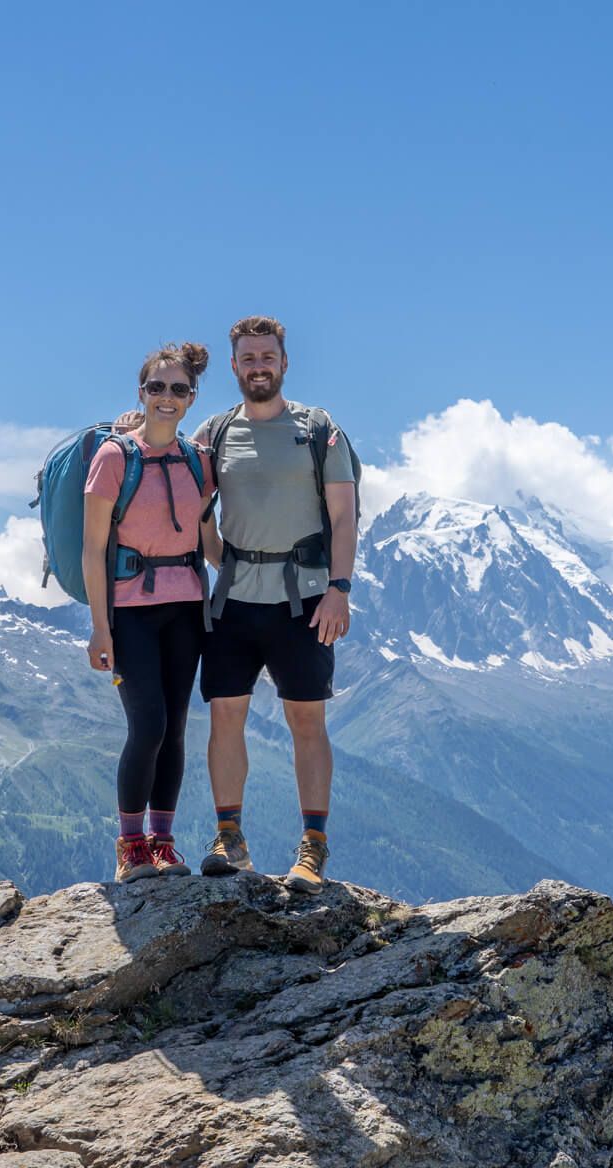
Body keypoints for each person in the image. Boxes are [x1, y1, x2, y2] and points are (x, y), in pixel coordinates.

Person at [195, 315, 357, 894]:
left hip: (306, 600)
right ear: (234, 366)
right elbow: (187, 501)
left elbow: (343, 515)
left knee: (306, 720)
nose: (258, 366)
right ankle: (229, 838)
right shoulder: (214, 434)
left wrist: (339, 588)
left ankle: (312, 847)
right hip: (234, 600)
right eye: (247, 358)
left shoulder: (317, 429)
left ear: (284, 363)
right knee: (225, 717)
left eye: (268, 356)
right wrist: (221, 559)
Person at [82, 343, 214, 884]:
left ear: (191, 398)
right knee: (149, 725)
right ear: (141, 393)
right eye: (156, 387)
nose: (166, 397)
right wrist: (98, 625)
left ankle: (162, 843)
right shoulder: (114, 457)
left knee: (176, 728)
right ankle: (130, 846)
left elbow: (210, 543)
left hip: (186, 609)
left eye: (178, 389)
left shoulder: (197, 460)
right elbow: (93, 548)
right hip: (130, 611)